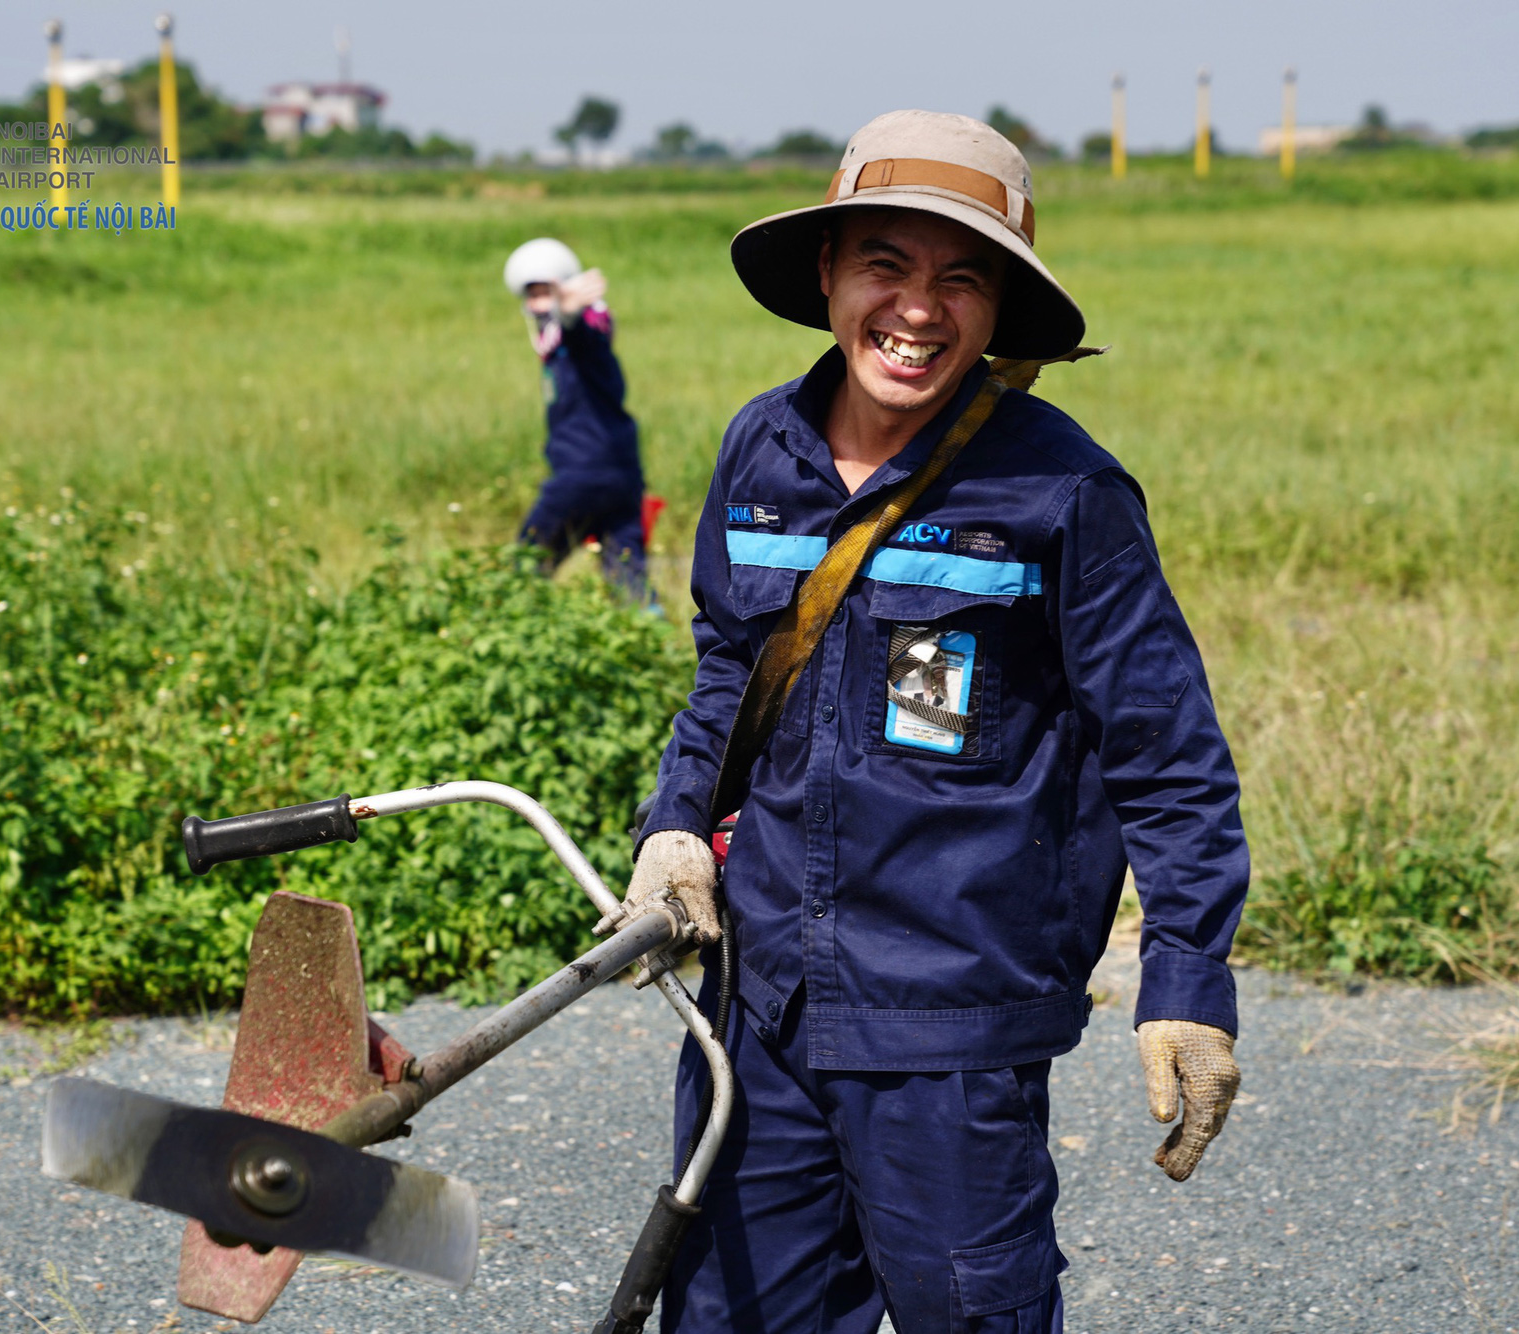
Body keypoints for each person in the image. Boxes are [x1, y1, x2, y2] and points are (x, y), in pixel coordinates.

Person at [601, 111, 1248, 1332]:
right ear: (826, 277)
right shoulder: (762, 452)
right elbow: (727, 670)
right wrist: (677, 826)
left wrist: (1186, 981)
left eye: (961, 276)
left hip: (952, 1019)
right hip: (763, 1007)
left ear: (999, 307)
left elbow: (1164, 754)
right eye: (884, 266)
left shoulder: (1060, 490)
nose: (918, 307)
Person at [503, 237, 651, 599]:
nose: (540, 304)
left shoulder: (583, 342)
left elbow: (582, 333)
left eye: (547, 293)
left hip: (579, 476)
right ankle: (651, 638)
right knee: (628, 578)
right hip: (622, 478)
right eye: (533, 295)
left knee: (525, 565)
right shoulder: (560, 351)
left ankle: (506, 633)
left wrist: (569, 314)